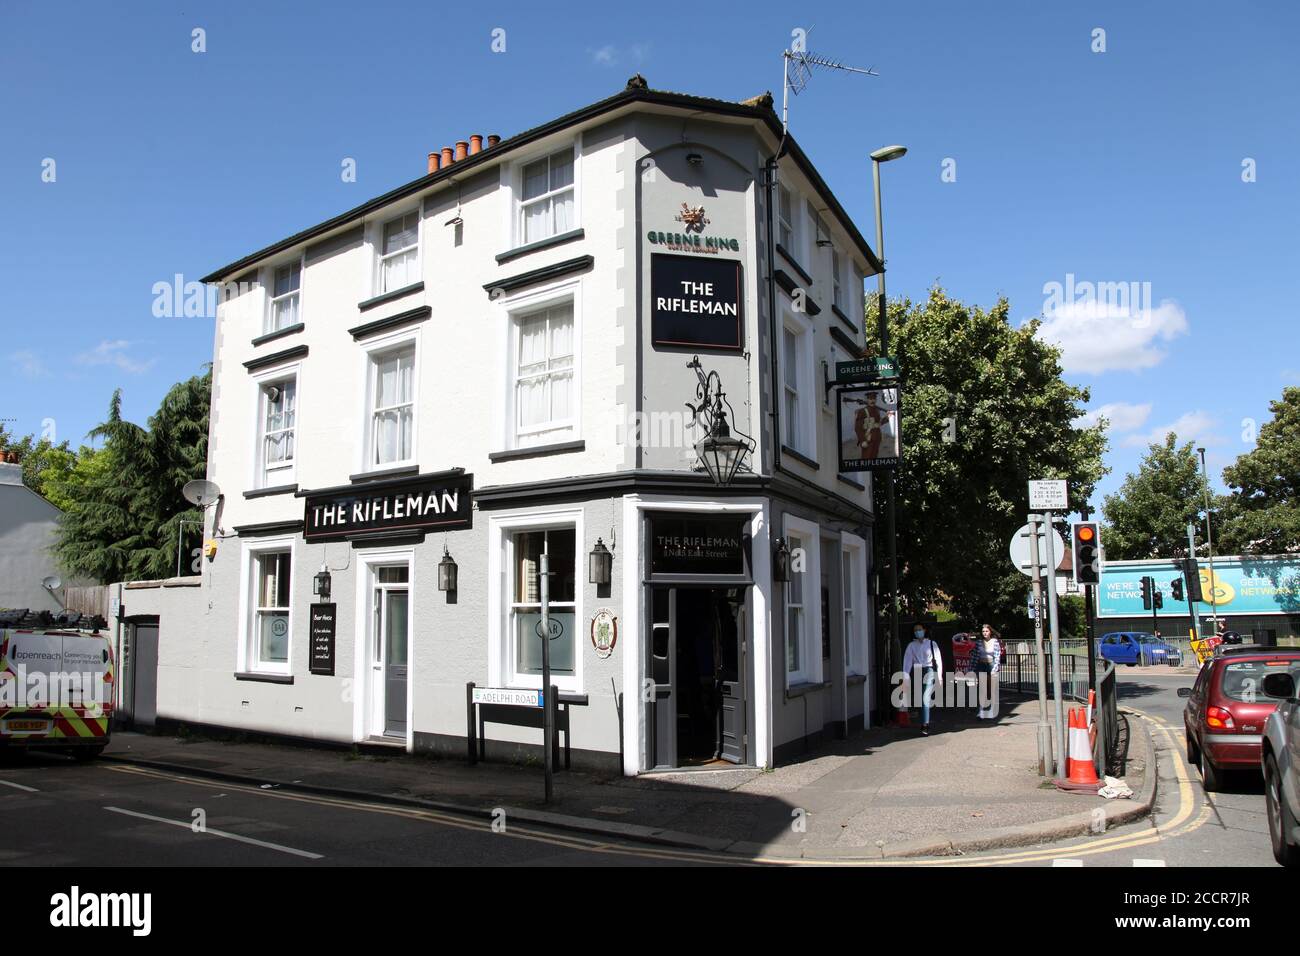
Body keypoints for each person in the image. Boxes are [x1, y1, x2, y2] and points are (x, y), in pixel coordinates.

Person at [902, 623, 943, 735]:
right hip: (917, 670)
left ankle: (925, 724)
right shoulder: (911, 646)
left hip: (929, 670)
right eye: (915, 630)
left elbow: (938, 660)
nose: (918, 632)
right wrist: (905, 677)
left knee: (925, 697)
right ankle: (923, 722)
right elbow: (907, 662)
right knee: (920, 698)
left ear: (924, 630)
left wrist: (939, 676)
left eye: (919, 629)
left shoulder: (932, 644)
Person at [971, 624, 1002, 719]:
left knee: (991, 690)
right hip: (981, 665)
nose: (985, 633)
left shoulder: (995, 642)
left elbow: (997, 656)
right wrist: (971, 669)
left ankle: (992, 710)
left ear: (990, 632)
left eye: (986, 631)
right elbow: (975, 656)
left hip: (991, 665)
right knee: (982, 689)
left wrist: (995, 669)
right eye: (983, 631)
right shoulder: (979, 642)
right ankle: (980, 711)